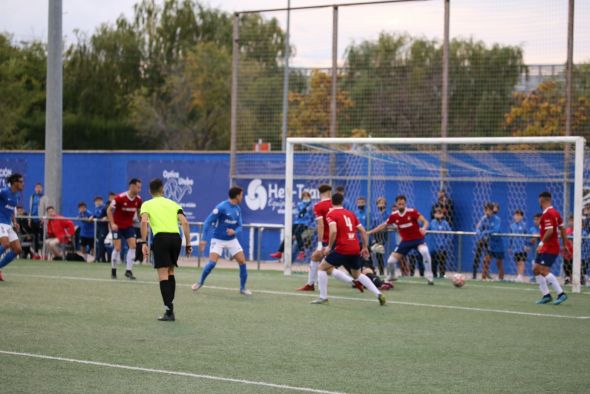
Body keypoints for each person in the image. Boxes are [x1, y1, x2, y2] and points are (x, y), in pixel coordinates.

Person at [311, 193, 386, 305]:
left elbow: (334, 231)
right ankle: (378, 294)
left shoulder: (331, 214)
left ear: (332, 202)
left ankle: (323, 297)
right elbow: (363, 232)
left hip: (342, 248)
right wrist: (365, 247)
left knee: (321, 268)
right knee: (358, 275)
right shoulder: (351, 214)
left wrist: (329, 247)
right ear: (342, 202)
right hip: (355, 248)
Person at [140, 178, 192, 321]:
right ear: (163, 190)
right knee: (170, 272)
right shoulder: (174, 203)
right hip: (176, 238)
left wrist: (143, 242)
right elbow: (185, 222)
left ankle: (169, 311)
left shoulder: (147, 204)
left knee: (163, 275)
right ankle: (170, 306)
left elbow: (144, 221)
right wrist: (188, 244)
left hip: (161, 238)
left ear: (150, 191)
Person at [192, 186, 251, 295]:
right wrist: (204, 239)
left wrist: (234, 232)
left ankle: (243, 288)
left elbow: (240, 226)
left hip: (232, 240)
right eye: (241, 195)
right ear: (237, 196)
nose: (242, 197)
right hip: (218, 239)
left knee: (242, 261)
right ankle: (200, 282)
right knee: (212, 263)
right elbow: (207, 222)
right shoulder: (221, 207)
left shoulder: (238, 209)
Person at [368, 195, 434, 285]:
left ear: (405, 203)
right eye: (399, 204)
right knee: (390, 261)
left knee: (425, 251)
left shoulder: (412, 212)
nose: (401, 205)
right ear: (397, 204)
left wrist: (424, 228)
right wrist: (370, 232)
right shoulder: (394, 216)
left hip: (418, 240)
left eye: (403, 203)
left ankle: (429, 276)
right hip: (405, 242)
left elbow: (425, 222)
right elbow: (383, 225)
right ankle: (392, 275)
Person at [533, 192, 568, 305]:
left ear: (542, 201)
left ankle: (561, 293)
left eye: (539, 201)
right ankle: (546, 295)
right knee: (536, 269)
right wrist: (565, 244)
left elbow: (550, 231)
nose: (539, 203)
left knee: (543, 270)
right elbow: (562, 229)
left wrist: (541, 243)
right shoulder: (556, 213)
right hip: (548, 247)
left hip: (549, 247)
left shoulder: (548, 213)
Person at [297, 184, 332, 291]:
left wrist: (320, 244)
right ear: (329, 192)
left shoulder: (318, 206)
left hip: (329, 240)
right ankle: (310, 284)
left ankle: (355, 281)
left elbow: (320, 225)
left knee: (328, 268)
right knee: (316, 258)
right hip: (338, 238)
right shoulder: (336, 204)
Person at [107, 179, 142, 280]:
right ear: (131, 186)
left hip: (128, 226)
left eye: (140, 187)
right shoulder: (120, 198)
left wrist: (143, 223)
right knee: (117, 248)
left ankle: (128, 271)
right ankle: (113, 270)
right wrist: (112, 223)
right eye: (138, 187)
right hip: (117, 226)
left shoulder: (138, 200)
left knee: (133, 246)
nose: (139, 189)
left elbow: (139, 212)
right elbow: (109, 210)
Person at [270, 191, 313, 261]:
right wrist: (304, 209)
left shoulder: (311, 205)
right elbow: (300, 214)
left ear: (309, 197)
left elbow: (308, 215)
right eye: (304, 196)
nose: (305, 198)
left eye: (307, 196)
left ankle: (302, 252)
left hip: (306, 223)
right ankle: (279, 252)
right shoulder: (300, 204)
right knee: (288, 234)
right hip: (297, 222)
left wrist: (306, 209)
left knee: (298, 232)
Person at [0, 173, 25, 280]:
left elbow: (12, 210)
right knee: (5, 244)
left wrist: (14, 222)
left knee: (18, 250)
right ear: (15, 182)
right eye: (21, 182)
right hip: (0, 222)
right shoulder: (4, 192)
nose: (23, 184)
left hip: (8, 224)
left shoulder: (16, 195)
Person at [480, 203, 505, 281]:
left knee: (499, 263)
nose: (487, 212)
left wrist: (486, 232)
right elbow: (480, 228)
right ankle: (483, 278)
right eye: (485, 210)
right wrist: (479, 232)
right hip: (490, 244)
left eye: (488, 210)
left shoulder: (497, 219)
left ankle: (501, 278)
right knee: (486, 260)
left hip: (498, 244)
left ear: (491, 211)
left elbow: (496, 230)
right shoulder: (484, 219)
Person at [428, 207, 452, 278]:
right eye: (436, 213)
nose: (438, 215)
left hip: (443, 247)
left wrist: (445, 243)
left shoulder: (445, 223)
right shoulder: (432, 222)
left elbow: (450, 234)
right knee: (434, 262)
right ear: (434, 214)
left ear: (442, 215)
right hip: (434, 247)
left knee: (442, 262)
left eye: (440, 213)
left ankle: (442, 275)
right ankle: (434, 275)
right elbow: (427, 230)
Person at [28, 183, 48, 258]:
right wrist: (29, 219)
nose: (38, 189)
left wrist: (44, 218)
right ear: (35, 189)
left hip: (41, 220)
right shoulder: (32, 197)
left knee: (43, 237)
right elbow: (30, 208)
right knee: (35, 237)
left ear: (42, 189)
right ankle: (36, 253)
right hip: (33, 220)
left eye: (40, 188)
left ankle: (44, 253)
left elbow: (47, 209)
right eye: (37, 188)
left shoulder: (45, 197)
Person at [370, 197, 389, 276]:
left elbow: (386, 225)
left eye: (382, 203)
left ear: (385, 204)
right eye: (379, 203)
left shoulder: (387, 214)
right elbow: (373, 225)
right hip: (375, 235)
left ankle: (381, 272)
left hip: (382, 236)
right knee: (370, 252)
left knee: (379, 254)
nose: (381, 205)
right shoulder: (375, 214)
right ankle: (372, 270)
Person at [509, 209, 529, 282]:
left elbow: (527, 236)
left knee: (521, 262)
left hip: (522, 247)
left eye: (519, 215)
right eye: (516, 215)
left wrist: (526, 245)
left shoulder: (524, 225)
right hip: (515, 247)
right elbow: (511, 237)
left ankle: (521, 275)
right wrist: (510, 246)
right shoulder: (512, 226)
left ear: (522, 217)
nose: (517, 217)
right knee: (517, 262)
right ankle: (518, 275)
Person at [91, 196, 108, 262]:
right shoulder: (96, 208)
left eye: (99, 201)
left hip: (104, 227)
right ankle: (102, 258)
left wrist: (105, 217)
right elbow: (96, 215)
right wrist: (92, 217)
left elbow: (107, 215)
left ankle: (98, 258)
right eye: (96, 201)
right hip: (98, 227)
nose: (97, 202)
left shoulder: (104, 208)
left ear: (101, 201)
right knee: (98, 242)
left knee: (101, 242)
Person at [528, 213, 542, 283]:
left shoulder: (544, 228)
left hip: (543, 251)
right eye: (535, 220)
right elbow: (530, 240)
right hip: (534, 251)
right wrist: (532, 239)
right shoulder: (532, 229)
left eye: (537, 219)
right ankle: (534, 278)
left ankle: (545, 279)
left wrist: (539, 236)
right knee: (534, 264)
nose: (536, 221)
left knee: (543, 266)